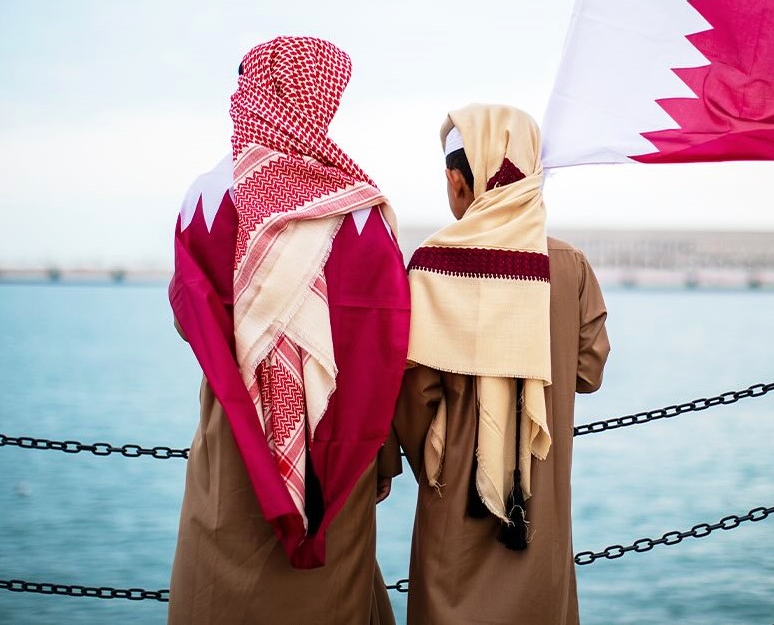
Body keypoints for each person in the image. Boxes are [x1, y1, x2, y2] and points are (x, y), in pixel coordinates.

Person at [167, 36, 410, 624]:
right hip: (342, 435)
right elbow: (387, 339)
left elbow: (188, 316)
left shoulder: (205, 195)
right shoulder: (359, 209)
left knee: (223, 570)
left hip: (233, 428)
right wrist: (382, 448)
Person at [393, 104, 610, 625]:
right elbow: (588, 373)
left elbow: (414, 397)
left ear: (458, 181)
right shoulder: (570, 265)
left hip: (455, 501)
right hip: (541, 502)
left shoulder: (431, 267)